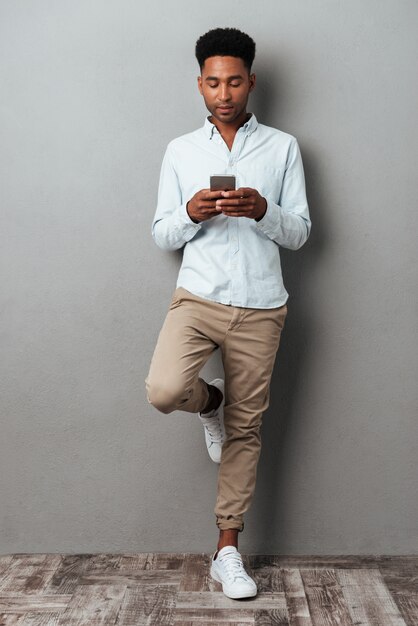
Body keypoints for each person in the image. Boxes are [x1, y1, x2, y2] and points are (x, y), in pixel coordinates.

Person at [145, 27, 311, 600]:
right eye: (213, 82)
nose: (224, 92)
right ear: (200, 84)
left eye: (234, 81)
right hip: (198, 297)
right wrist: (191, 211)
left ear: (251, 82)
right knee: (165, 389)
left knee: (247, 430)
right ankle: (209, 401)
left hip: (263, 305)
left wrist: (264, 210)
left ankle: (227, 551)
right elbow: (163, 233)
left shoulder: (283, 148)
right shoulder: (181, 151)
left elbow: (302, 233)